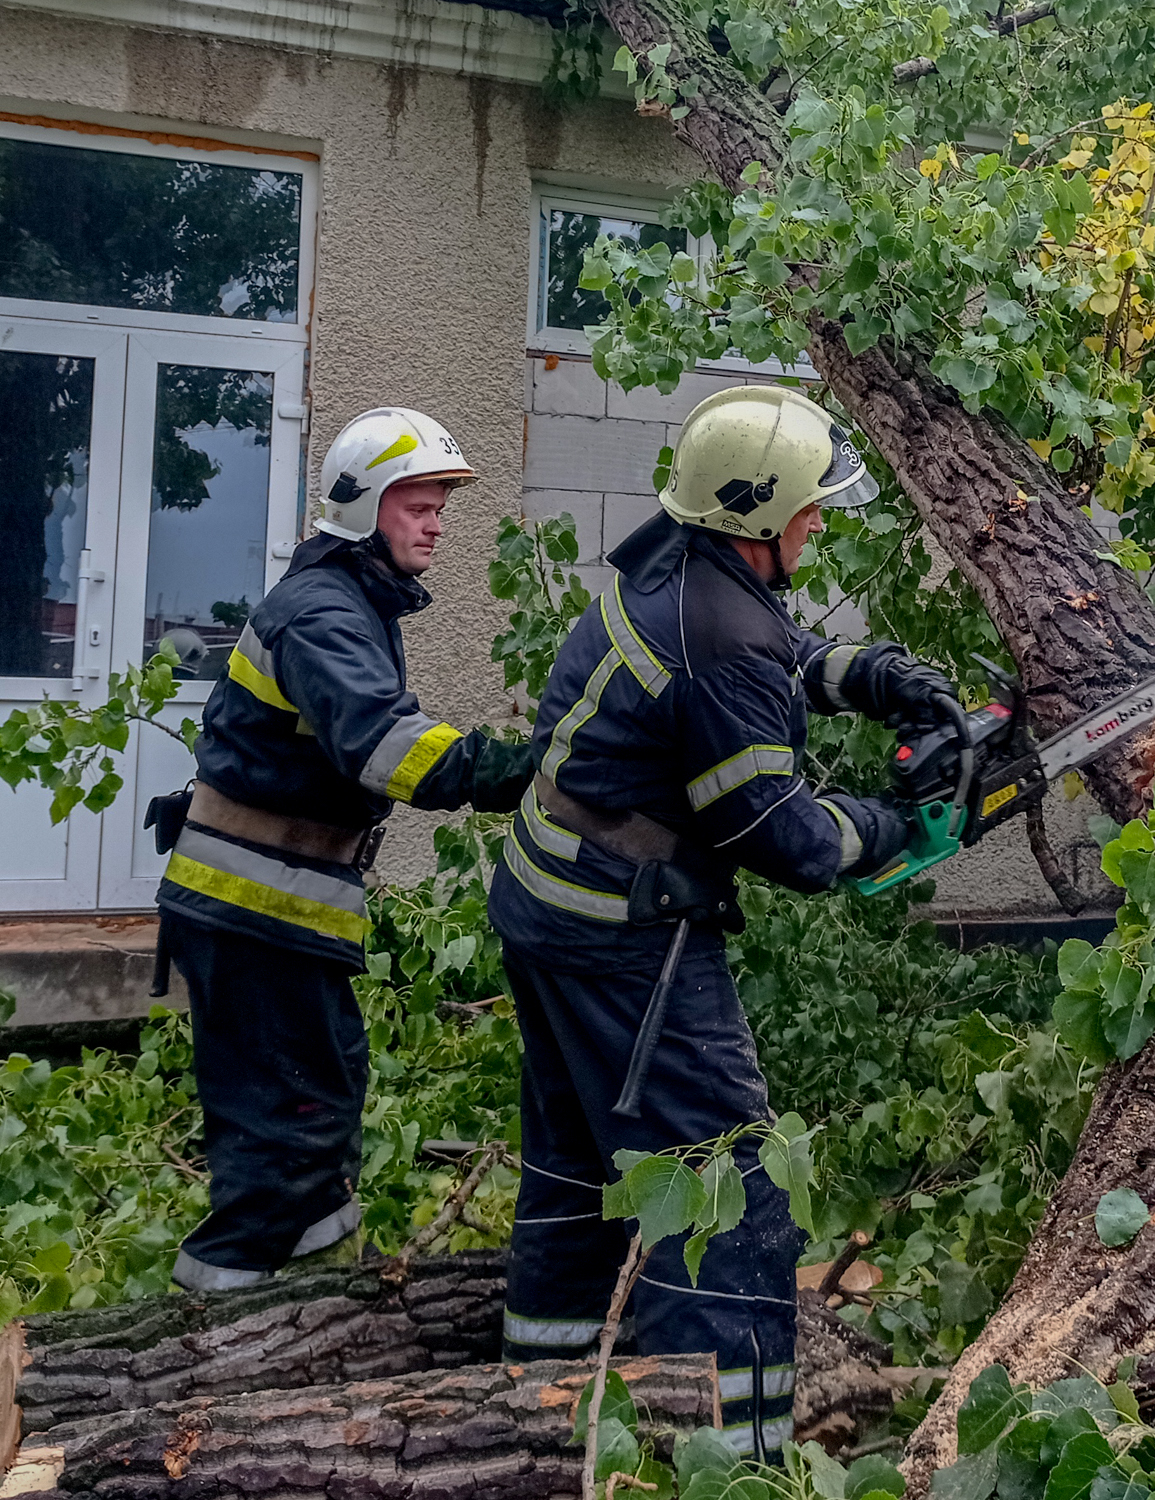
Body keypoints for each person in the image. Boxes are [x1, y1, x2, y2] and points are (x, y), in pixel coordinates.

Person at [489, 385, 952, 1457]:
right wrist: (895, 822)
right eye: (807, 505)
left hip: (550, 903)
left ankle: (535, 1423)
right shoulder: (718, 633)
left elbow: (777, 654)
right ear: (759, 512)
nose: (818, 521)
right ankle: (725, 1454)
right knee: (728, 1189)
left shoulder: (677, 567)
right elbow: (789, 843)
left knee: (577, 1171)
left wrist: (876, 676)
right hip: (623, 936)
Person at [151, 407, 538, 1293]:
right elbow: (389, 749)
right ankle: (225, 1328)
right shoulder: (323, 613)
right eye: (418, 505)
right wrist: (528, 767)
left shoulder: (349, 601)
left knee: (316, 1112)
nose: (436, 523)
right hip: (251, 915)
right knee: (284, 1138)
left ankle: (311, 1298)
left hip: (270, 914)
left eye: (440, 506)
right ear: (365, 505)